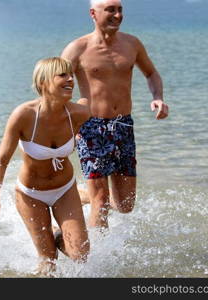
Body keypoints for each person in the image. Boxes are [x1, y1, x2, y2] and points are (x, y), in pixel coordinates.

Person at [61, 0, 169, 229]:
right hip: (91, 127)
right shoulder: (77, 49)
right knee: (101, 202)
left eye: (120, 10)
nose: (118, 15)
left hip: (123, 126)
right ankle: (94, 261)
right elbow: (55, 87)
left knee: (125, 205)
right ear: (93, 13)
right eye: (111, 10)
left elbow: (151, 74)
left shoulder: (132, 44)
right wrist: (69, 124)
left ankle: (79, 194)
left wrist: (157, 97)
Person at [0, 57, 90, 275]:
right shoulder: (24, 115)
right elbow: (0, 160)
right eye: (63, 75)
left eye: (71, 75)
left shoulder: (78, 114)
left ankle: (58, 234)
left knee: (81, 255)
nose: (71, 79)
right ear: (43, 82)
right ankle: (48, 235)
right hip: (30, 194)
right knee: (48, 261)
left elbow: (99, 142)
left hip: (64, 190)